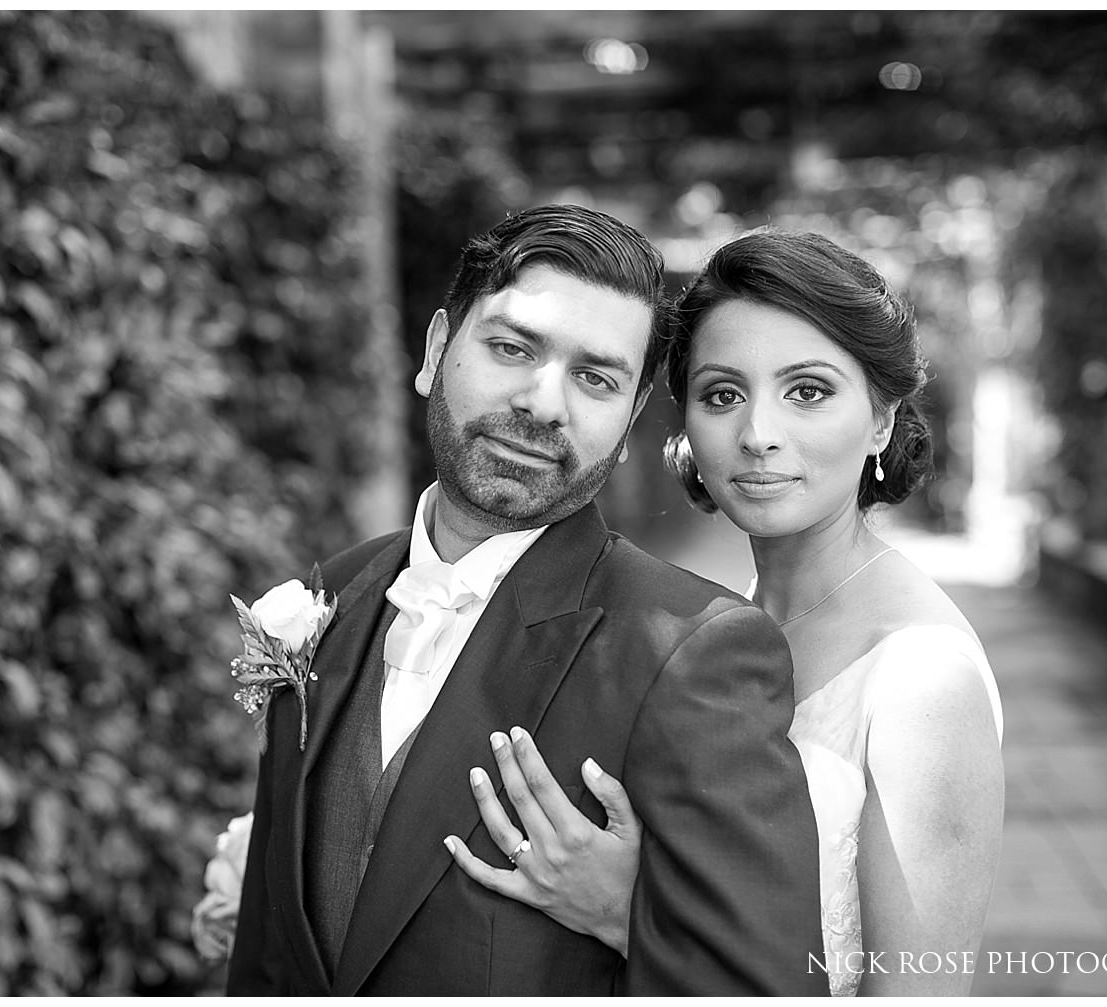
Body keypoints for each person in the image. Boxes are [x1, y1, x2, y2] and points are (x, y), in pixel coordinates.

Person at [223, 206, 827, 995]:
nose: (545, 403)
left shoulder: (694, 651)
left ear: (631, 413)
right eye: (512, 348)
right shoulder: (324, 598)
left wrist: (633, 916)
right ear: (437, 350)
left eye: (595, 377)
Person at [446, 228, 1006, 996]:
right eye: (722, 394)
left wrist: (629, 909)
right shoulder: (722, 627)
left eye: (807, 390)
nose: (758, 435)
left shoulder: (924, 681)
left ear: (881, 420)